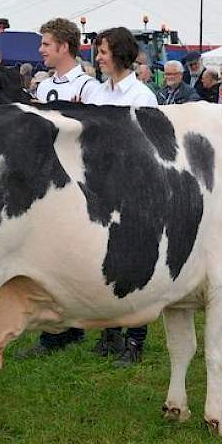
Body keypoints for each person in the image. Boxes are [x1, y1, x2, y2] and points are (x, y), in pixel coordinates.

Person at [13, 17, 102, 360]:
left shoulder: (88, 87)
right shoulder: (44, 85)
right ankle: (57, 327)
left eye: (46, 44)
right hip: (46, 181)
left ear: (64, 47)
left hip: (78, 185)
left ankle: (71, 328)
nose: (41, 50)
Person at [83, 26, 157, 367]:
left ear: (120, 55)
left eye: (103, 51)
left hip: (134, 190)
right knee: (106, 261)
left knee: (137, 265)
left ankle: (135, 340)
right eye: (98, 51)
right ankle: (110, 331)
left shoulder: (142, 97)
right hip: (100, 190)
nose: (98, 57)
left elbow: (149, 148)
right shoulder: (97, 94)